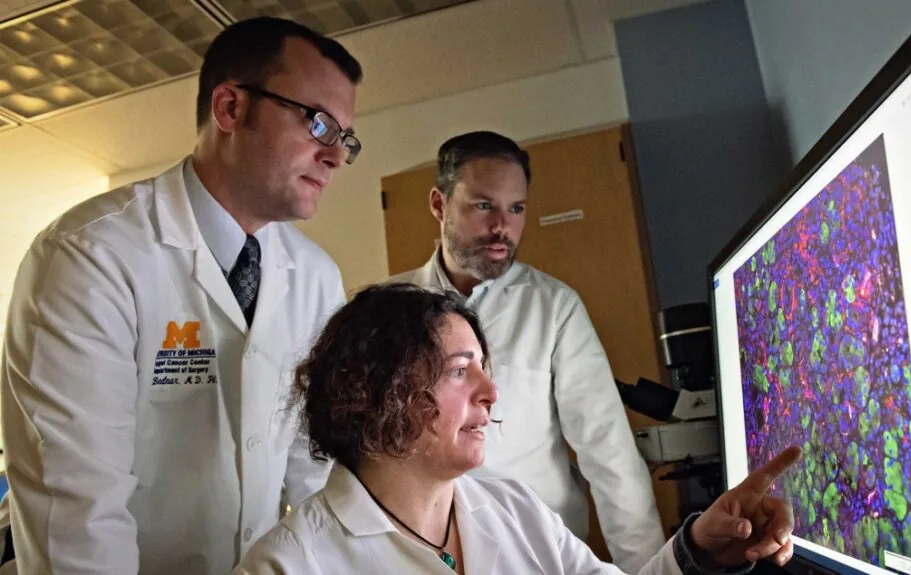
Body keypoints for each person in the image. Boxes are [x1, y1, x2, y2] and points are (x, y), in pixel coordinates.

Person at [0, 17, 362, 575]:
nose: (336, 156)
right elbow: (78, 516)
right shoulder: (91, 256)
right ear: (230, 109)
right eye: (318, 125)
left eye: (345, 138)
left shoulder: (316, 278)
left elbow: (316, 472)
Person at [234, 283, 802, 574]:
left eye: (485, 366)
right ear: (377, 391)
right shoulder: (290, 564)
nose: (491, 391)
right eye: (460, 371)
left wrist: (701, 549)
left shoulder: (511, 508)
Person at [390, 130, 665, 572]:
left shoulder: (554, 308)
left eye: (516, 208)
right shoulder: (388, 309)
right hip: (420, 557)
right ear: (439, 205)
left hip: (539, 557)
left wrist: (648, 568)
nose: (503, 226)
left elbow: (607, 451)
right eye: (484, 206)